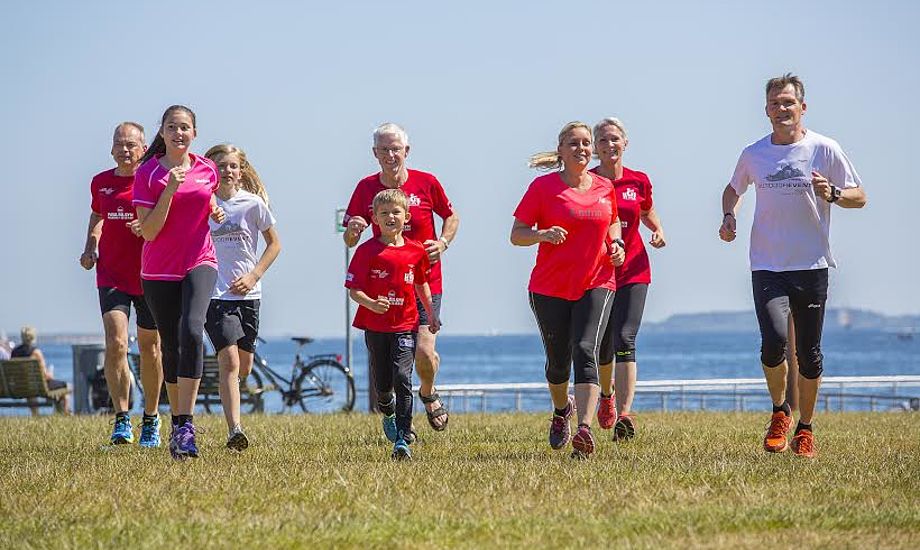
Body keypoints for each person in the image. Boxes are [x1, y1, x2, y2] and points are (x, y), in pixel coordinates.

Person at [719, 73, 867, 458]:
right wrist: (729, 215)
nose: (781, 109)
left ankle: (805, 428)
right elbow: (733, 188)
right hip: (767, 264)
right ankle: (779, 412)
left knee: (810, 354)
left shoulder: (824, 148)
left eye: (788, 102)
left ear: (802, 107)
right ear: (765, 110)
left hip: (811, 265)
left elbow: (859, 195)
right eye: (774, 103)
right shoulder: (754, 153)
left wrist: (833, 193)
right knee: (773, 345)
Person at [511, 121, 625, 458]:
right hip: (549, 287)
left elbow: (613, 220)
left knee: (585, 348)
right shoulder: (543, 188)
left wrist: (616, 243)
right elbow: (517, 233)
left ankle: (585, 431)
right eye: (573, 143)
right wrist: (542, 235)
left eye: (586, 143)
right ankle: (563, 412)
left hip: (598, 281)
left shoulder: (605, 186)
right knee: (558, 364)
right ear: (560, 150)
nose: (582, 149)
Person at [343, 123, 459, 433]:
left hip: (424, 282)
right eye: (384, 149)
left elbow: (451, 215)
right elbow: (351, 237)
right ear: (375, 154)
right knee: (387, 367)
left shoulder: (427, 183)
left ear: (406, 151)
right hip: (383, 290)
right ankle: (395, 411)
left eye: (396, 149)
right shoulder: (365, 188)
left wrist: (443, 242)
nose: (391, 154)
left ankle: (428, 392)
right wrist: (353, 229)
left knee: (424, 351)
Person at [133, 105, 225, 460]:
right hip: (158, 271)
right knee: (170, 346)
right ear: (163, 132)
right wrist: (169, 190)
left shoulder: (207, 168)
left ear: (194, 133)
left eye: (185, 127)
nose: (178, 133)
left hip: (200, 260)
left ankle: (186, 424)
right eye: (172, 127)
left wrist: (213, 208)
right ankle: (177, 423)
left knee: (192, 329)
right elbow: (150, 231)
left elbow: (206, 194)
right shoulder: (148, 173)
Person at [80, 121, 164, 447]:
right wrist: (90, 246)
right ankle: (122, 419)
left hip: (150, 274)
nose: (125, 150)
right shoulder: (100, 183)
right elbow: (97, 215)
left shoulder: (152, 180)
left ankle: (152, 420)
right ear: (112, 148)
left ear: (143, 148)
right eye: (119, 144)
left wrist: (147, 226)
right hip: (111, 274)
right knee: (115, 342)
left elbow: (168, 219)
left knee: (151, 348)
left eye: (131, 144)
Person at [345, 188, 440, 460]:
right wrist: (372, 304)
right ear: (374, 218)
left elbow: (422, 283)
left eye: (396, 212)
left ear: (406, 216)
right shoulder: (366, 251)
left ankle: (402, 439)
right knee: (383, 383)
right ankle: (387, 408)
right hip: (375, 327)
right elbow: (354, 290)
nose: (390, 217)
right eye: (384, 213)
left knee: (402, 377)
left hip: (406, 325)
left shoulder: (415, 250)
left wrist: (431, 313)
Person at [591, 118, 667, 441]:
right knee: (602, 345)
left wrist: (658, 229)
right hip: (597, 272)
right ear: (595, 147)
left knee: (626, 338)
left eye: (615, 139)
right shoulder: (588, 181)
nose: (610, 146)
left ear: (626, 143)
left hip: (634, 269)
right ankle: (606, 396)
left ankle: (624, 413)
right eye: (603, 141)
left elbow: (647, 209)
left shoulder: (638, 181)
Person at [203, 144, 281, 452]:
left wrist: (253, 276)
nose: (226, 171)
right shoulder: (201, 204)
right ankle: (235, 430)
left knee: (244, 367)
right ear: (210, 170)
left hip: (248, 295)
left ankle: (232, 395)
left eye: (232, 166)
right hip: (214, 293)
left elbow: (275, 244)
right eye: (219, 165)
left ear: (241, 170)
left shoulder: (253, 204)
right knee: (230, 361)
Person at [11, 325, 70, 414]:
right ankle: (64, 414)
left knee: (30, 388)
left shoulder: (14, 352)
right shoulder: (36, 353)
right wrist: (50, 374)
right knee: (67, 386)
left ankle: (35, 415)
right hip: (39, 387)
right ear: (33, 337)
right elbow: (45, 375)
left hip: (20, 386)